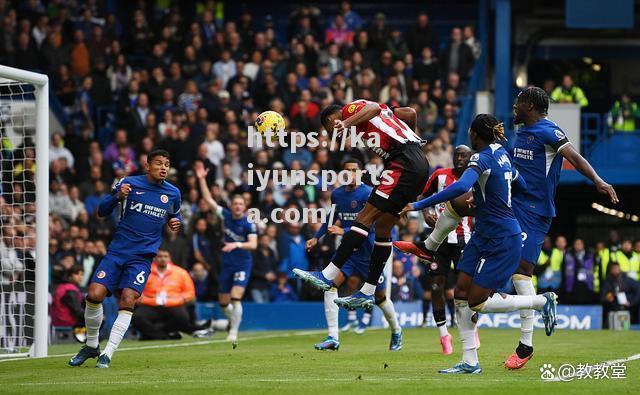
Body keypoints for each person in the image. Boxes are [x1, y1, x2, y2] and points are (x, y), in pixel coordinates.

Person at [398, 87, 618, 370]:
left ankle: (526, 343)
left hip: (535, 211)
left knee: (520, 272)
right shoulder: (516, 137)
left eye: (517, 103)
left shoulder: (550, 131)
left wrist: (598, 181)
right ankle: (430, 246)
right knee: (459, 205)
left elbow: (574, 157)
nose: (513, 107)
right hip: (509, 202)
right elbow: (515, 174)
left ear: (529, 105)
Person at [401, 114, 558, 374]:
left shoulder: (481, 157)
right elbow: (521, 184)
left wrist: (418, 205)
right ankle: (470, 362)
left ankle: (540, 301)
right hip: (483, 235)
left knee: (476, 301)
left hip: (501, 238)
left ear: (475, 134)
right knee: (460, 295)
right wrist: (487, 198)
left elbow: (460, 186)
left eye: (470, 133)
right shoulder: (502, 153)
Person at [293, 99, 429, 312]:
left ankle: (327, 274)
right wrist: (408, 136)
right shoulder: (380, 118)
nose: (336, 134)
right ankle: (367, 291)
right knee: (383, 227)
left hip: (403, 163)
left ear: (332, 119)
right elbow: (410, 112)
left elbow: (373, 107)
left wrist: (345, 124)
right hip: (417, 162)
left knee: (364, 218)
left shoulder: (349, 111)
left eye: (331, 129)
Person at [69, 149, 182, 368]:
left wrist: (176, 222)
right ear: (147, 165)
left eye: (167, 164)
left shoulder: (173, 193)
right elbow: (101, 211)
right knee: (93, 294)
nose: (163, 168)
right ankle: (92, 346)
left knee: (128, 299)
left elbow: (175, 215)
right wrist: (117, 196)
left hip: (142, 257)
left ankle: (107, 354)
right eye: (158, 163)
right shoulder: (128, 183)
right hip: (118, 251)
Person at [304, 159, 402, 351]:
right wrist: (317, 237)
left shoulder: (368, 193)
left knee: (380, 298)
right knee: (330, 286)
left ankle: (396, 330)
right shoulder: (337, 194)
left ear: (360, 172)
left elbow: (374, 223)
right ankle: (333, 337)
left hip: (369, 253)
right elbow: (331, 219)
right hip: (350, 254)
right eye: (347, 170)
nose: (350, 173)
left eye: (354, 170)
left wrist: (345, 230)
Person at [395, 145, 473, 355]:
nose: (460, 159)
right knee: (437, 287)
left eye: (464, 156)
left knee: (465, 289)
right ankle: (443, 334)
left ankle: (471, 328)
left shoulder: (474, 180)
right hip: (439, 241)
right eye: (457, 155)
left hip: (463, 240)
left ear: (471, 158)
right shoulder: (440, 176)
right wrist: (426, 213)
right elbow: (422, 197)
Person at [195, 161, 257, 344]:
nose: (238, 206)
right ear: (231, 206)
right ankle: (234, 318)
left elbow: (253, 245)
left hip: (242, 263)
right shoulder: (226, 216)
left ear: (244, 206)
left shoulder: (248, 223)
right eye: (235, 203)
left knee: (236, 297)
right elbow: (208, 200)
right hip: (227, 263)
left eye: (241, 204)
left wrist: (236, 246)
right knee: (224, 303)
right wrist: (201, 180)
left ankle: (234, 332)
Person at [132, 249, 205, 340]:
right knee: (137, 317)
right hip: (150, 305)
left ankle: (151, 335)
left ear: (169, 258)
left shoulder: (181, 272)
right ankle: (165, 336)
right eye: (160, 256)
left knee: (182, 317)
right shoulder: (145, 272)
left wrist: (178, 299)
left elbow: (190, 293)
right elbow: (137, 291)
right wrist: (149, 300)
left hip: (173, 304)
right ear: (155, 258)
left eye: (165, 256)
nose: (163, 259)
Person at [51, 266, 86, 341]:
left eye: (82, 274)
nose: (80, 277)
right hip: (66, 320)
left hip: (56, 320)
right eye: (77, 274)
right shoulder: (70, 289)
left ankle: (82, 338)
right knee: (94, 318)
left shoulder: (61, 287)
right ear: (70, 276)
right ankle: (82, 339)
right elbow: (76, 310)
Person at [601, 262, 640, 327]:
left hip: (630, 307)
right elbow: (602, 297)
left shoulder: (627, 280)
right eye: (613, 269)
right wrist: (608, 298)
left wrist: (630, 302)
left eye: (617, 268)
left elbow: (638, 292)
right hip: (613, 308)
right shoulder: (607, 282)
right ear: (610, 270)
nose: (615, 270)